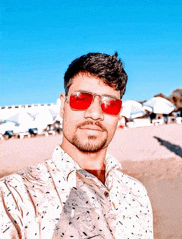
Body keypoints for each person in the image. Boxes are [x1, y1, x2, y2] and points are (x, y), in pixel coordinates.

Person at [0, 52, 153, 238]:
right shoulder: (15, 196)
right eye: (81, 99)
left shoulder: (136, 193)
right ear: (63, 105)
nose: (95, 113)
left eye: (109, 104)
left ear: (119, 113)